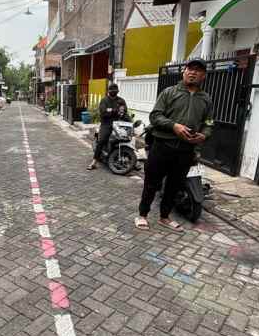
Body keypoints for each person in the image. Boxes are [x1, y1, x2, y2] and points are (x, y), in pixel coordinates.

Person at [135, 58, 213, 231]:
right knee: (151, 183)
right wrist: (174, 126)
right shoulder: (169, 92)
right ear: (184, 72)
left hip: (186, 150)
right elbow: (155, 116)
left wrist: (204, 135)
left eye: (197, 70)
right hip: (163, 146)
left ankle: (164, 217)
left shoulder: (206, 99)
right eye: (190, 69)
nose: (193, 72)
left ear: (203, 76)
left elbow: (209, 122)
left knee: (174, 185)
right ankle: (142, 215)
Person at [88, 83, 130, 170]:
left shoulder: (121, 100)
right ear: (108, 91)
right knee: (102, 140)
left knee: (129, 138)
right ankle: (94, 161)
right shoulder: (104, 100)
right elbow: (103, 113)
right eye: (112, 90)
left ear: (118, 91)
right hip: (106, 124)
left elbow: (124, 112)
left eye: (115, 90)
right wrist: (115, 111)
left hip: (119, 124)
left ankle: (133, 160)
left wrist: (127, 119)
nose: (114, 92)